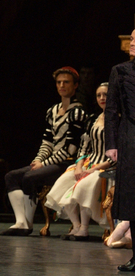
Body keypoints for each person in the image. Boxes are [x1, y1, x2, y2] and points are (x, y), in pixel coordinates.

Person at [1, 66, 86, 236]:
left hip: (66, 162)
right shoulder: (52, 111)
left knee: (30, 177)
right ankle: (21, 222)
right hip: (50, 161)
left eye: (66, 82)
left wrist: (44, 164)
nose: (62, 85)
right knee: (11, 176)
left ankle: (28, 223)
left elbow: (70, 148)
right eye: (59, 82)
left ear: (75, 85)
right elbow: (47, 141)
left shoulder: (78, 112)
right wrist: (38, 160)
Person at [44, 82, 113, 240]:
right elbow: (84, 146)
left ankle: (84, 228)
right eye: (99, 95)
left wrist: (94, 169)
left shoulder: (119, 121)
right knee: (63, 181)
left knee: (82, 186)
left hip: (106, 165)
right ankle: (76, 225)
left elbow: (117, 154)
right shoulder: (93, 119)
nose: (102, 98)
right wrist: (79, 166)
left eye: (106, 95)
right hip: (89, 162)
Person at [105, 28, 135, 271]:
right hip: (129, 136)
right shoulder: (121, 71)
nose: (132, 43)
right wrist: (111, 144)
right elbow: (111, 110)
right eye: (132, 39)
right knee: (131, 197)